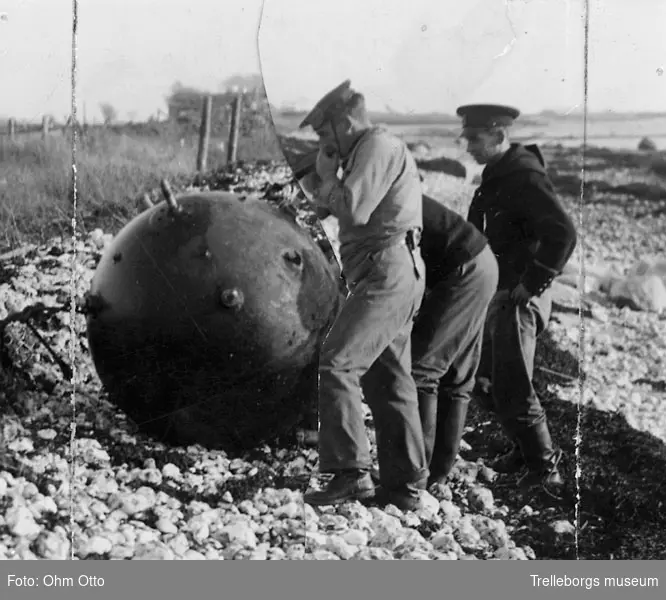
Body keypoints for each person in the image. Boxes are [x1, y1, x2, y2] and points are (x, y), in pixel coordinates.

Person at [299, 80, 428, 511]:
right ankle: (406, 486)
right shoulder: (363, 153)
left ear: (346, 121)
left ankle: (349, 473)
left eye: (323, 133)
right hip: (390, 270)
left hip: (385, 271)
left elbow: (353, 209)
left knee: (338, 361)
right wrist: (328, 178)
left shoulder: (375, 146)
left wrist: (324, 175)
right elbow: (332, 206)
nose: (322, 142)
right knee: (388, 377)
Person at [457, 104, 577, 497]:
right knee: (486, 377)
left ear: (498, 135)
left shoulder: (524, 177)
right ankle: (524, 451)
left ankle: (545, 467)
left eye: (474, 137)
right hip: (500, 294)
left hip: (518, 299)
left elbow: (563, 232)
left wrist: (535, 282)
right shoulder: (498, 175)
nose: (467, 144)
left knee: (513, 384)